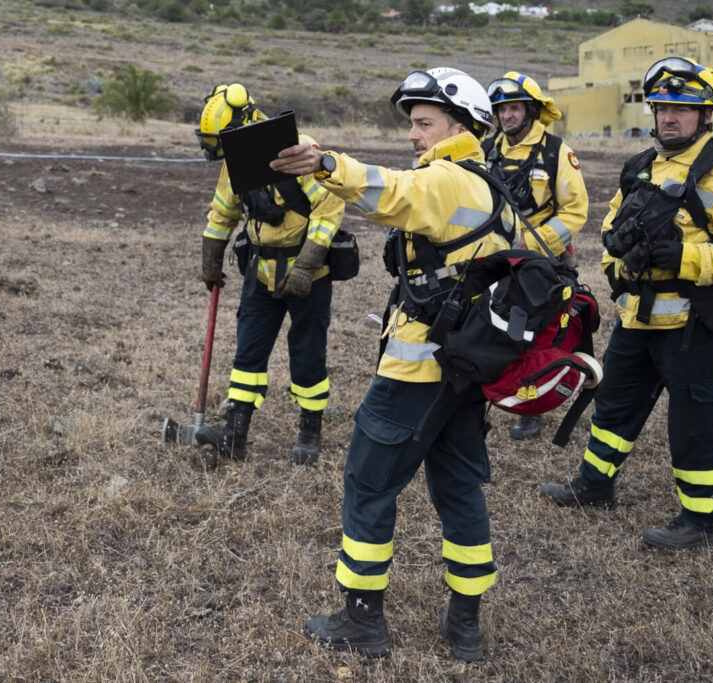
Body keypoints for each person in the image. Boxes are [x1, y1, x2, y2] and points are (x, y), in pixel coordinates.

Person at [270, 67, 515, 661]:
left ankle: (362, 621)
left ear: (461, 127)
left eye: (424, 123)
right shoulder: (492, 187)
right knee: (460, 488)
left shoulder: (449, 179)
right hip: (464, 373)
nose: (413, 134)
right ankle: (465, 626)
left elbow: (393, 192)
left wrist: (326, 163)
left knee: (368, 483)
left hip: (418, 373)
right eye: (413, 124)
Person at [541, 57, 713, 550]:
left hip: (693, 325)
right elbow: (611, 226)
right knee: (613, 404)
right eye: (661, 108)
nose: (669, 117)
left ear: (705, 116)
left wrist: (689, 259)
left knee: (696, 424)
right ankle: (595, 485)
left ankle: (700, 521)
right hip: (637, 317)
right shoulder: (641, 166)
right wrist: (614, 264)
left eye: (682, 109)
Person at [196, 83, 345, 465]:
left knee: (307, 353)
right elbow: (222, 213)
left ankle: (310, 431)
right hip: (260, 272)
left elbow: (329, 210)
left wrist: (306, 267)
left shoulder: (300, 150)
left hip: (309, 276)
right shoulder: (236, 162)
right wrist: (211, 260)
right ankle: (235, 434)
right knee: (248, 351)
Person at [483, 71, 589, 441]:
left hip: (540, 262)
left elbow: (575, 212)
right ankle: (485, 392)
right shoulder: (486, 149)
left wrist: (532, 243)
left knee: (532, 334)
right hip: (493, 257)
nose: (506, 115)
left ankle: (531, 405)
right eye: (501, 110)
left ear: (531, 110)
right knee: (485, 326)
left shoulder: (557, 152)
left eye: (514, 108)